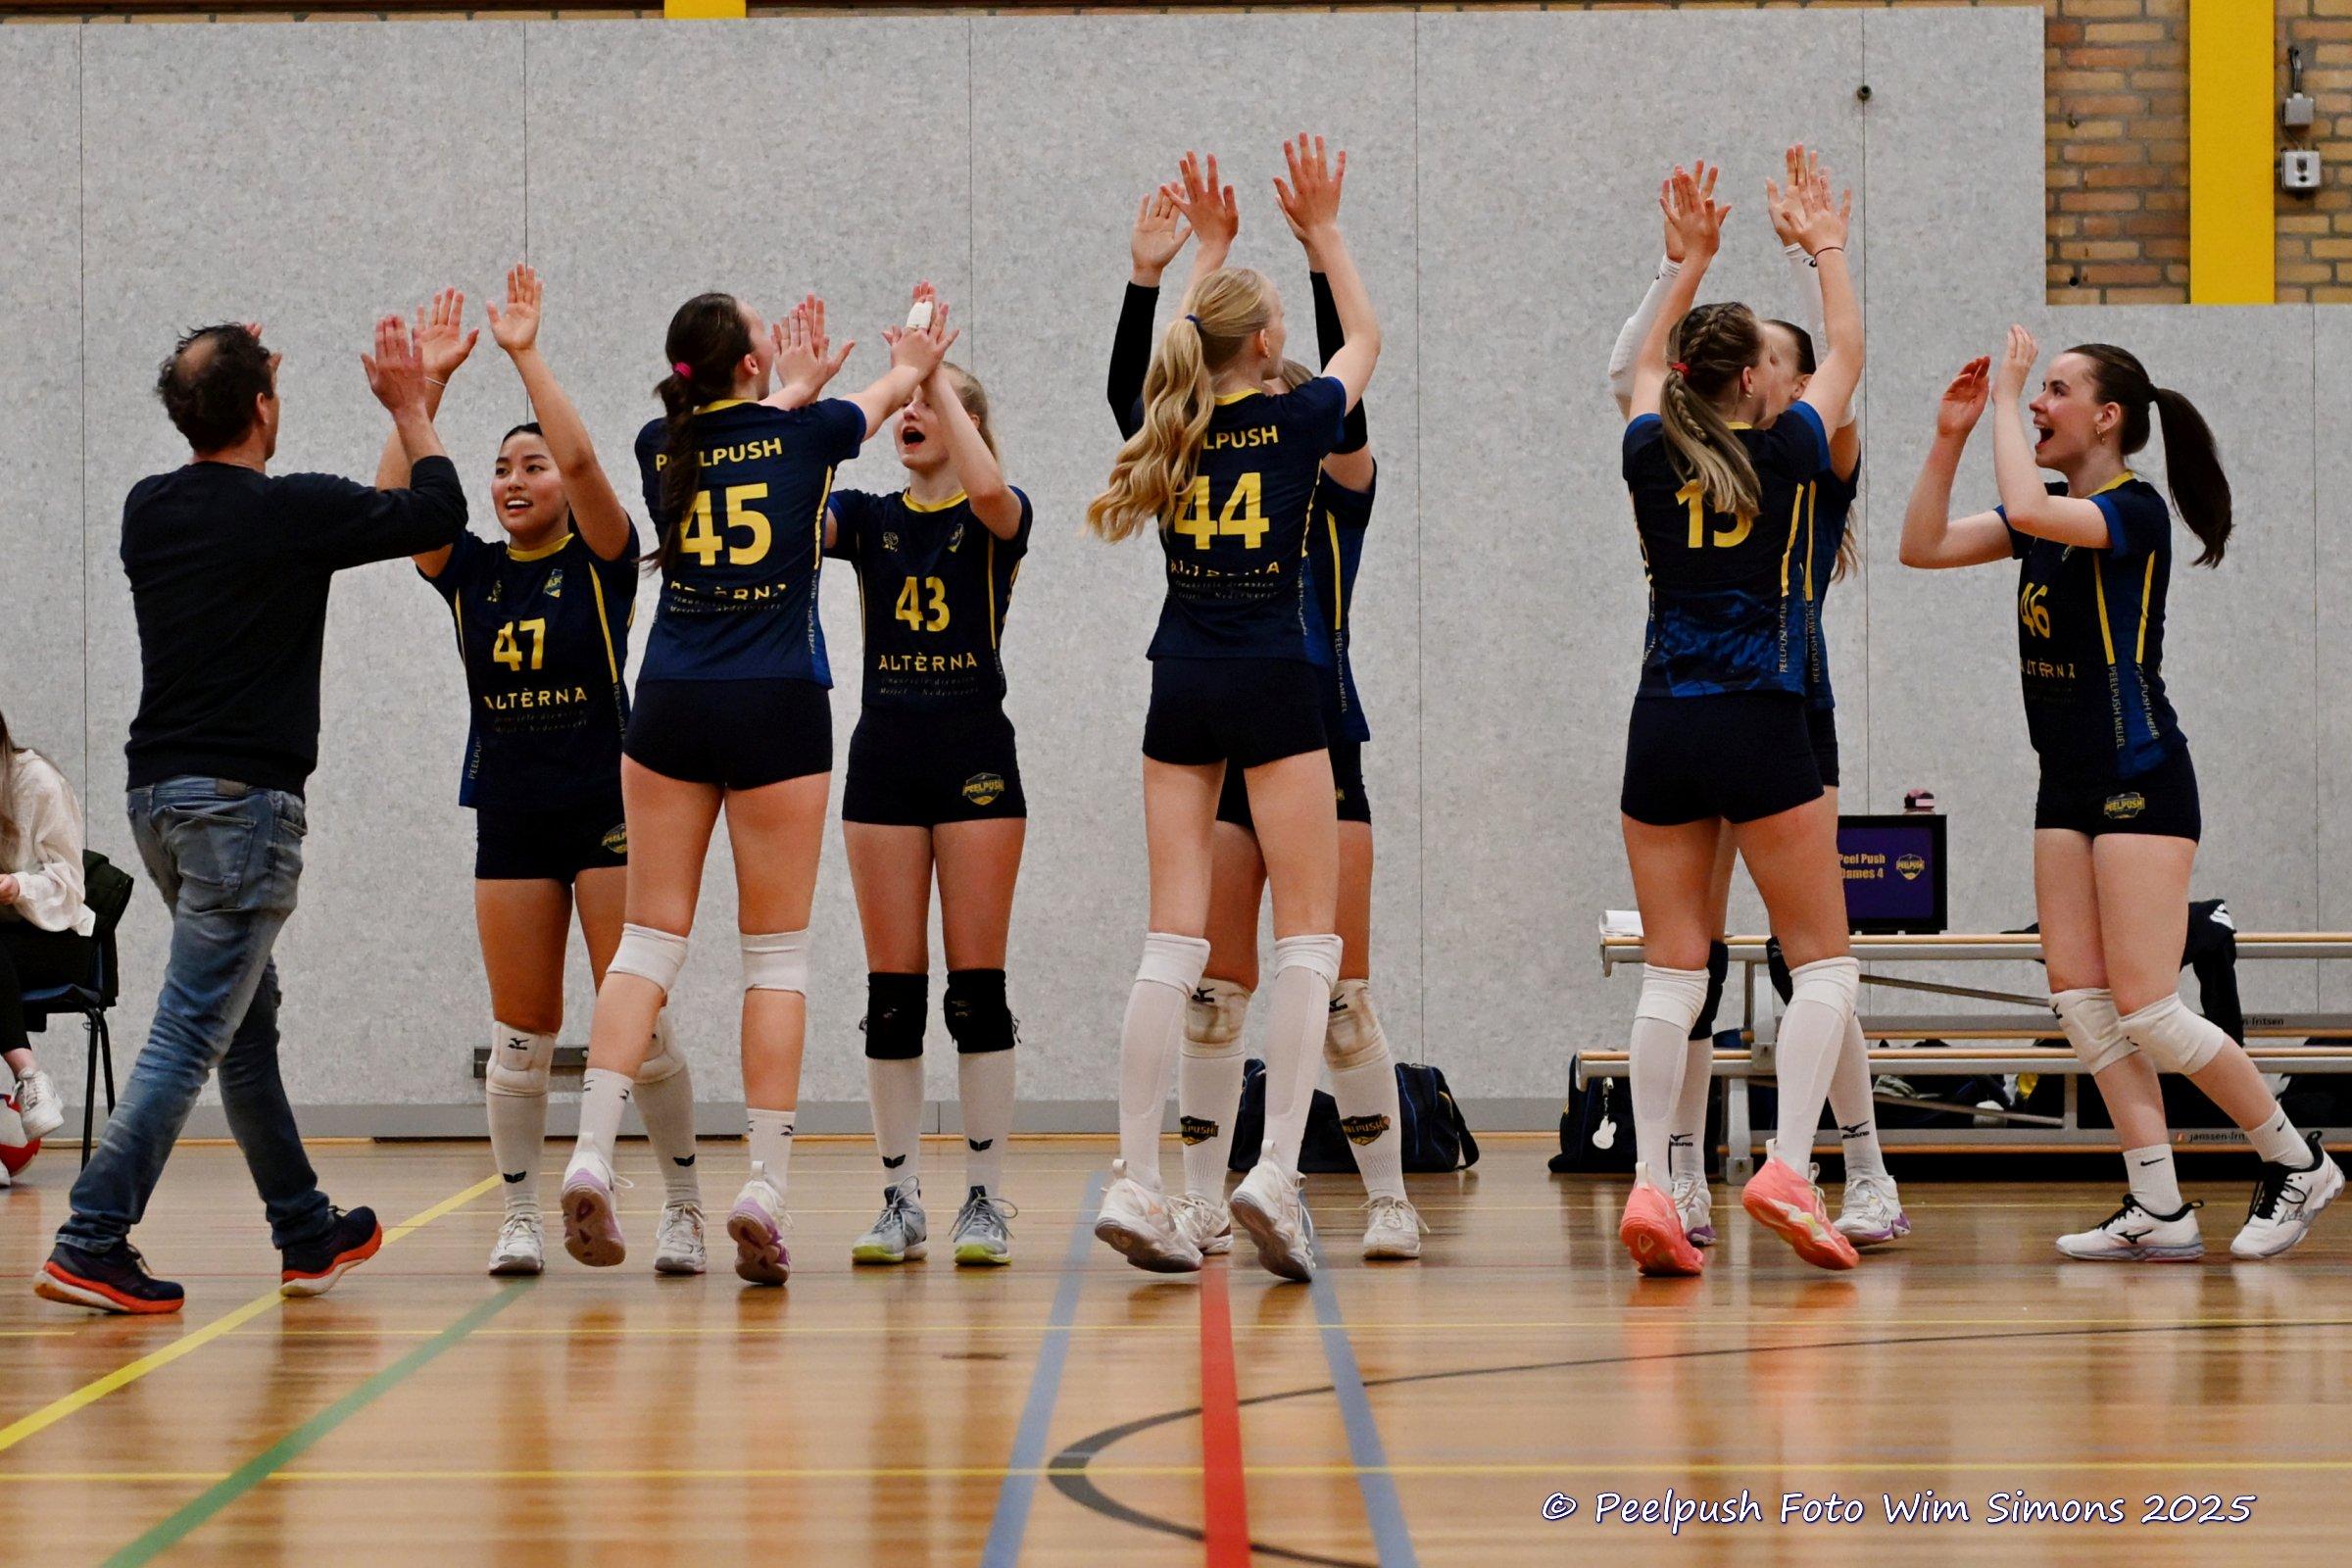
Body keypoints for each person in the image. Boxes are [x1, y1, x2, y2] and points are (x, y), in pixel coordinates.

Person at [37, 317, 467, 1314]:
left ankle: (305, 1230)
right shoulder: (290, 511)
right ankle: (91, 1237)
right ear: (264, 406)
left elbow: (373, 503)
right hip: (241, 812)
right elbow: (436, 510)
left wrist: (235, 368)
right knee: (194, 1031)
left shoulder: (149, 509)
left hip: (160, 804)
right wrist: (412, 405)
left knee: (245, 1026)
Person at [1899, 332, 2344, 1261]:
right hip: (2065, 785)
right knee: (2083, 1004)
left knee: (2148, 1010)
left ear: (2107, 418)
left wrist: (2006, 390)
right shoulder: (2045, 516)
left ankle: (2297, 1161)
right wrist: (1948, 436)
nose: (2037, 403)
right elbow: (1922, 547)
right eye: (2036, 390)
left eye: (2055, 390)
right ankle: (2159, 1206)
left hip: (2141, 775)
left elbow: (2028, 502)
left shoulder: (2132, 511)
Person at [557, 285, 954, 1286]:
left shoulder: (660, 444)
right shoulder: (815, 433)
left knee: (647, 942)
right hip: (776, 705)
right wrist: (912, 350)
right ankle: (763, 1188)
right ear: (746, 362)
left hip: (670, 703)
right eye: (761, 332)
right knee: (774, 957)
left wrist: (792, 388)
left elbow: (736, 434)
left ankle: (593, 1151)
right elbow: (893, 387)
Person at [1110, 160, 1422, 1264]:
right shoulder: (1296, 424)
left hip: (1195, 684)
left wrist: (1179, 265)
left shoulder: (1184, 429)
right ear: (1263, 352)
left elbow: (1148, 375)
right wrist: (1324, 235)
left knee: (1179, 943)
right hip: (1279, 692)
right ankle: (1262, 1179)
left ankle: (1141, 1179)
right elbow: (1364, 342)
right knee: (1287, 954)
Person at [1603, 148, 1904, 1251]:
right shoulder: (1787, 451)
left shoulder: (1649, 450)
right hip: (1763, 713)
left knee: (1671, 970)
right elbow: (1851, 352)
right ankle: (1786, 1165)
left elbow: (1642, 367)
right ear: (1749, 383)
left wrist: (1688, 263)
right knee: (1822, 961)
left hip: (1662, 721)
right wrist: (1824, 248)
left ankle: (1652, 1182)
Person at [388, 272, 704, 1279]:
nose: (514, 480)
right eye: (499, 470)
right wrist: (422, 397)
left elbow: (582, 457)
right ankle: (520, 1217)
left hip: (609, 809)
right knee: (521, 1037)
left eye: (531, 466)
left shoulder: (603, 559)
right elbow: (395, 505)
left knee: (641, 1029)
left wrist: (526, 354)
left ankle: (685, 1210)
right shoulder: (472, 573)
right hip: (512, 815)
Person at [828, 356, 1030, 1268]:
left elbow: (991, 497)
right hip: (885, 759)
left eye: (929, 405)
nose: (910, 413)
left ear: (966, 422)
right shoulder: (869, 517)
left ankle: (984, 1199)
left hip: (974, 758)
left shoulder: (998, 513)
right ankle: (900, 1199)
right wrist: (815, 400)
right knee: (892, 996)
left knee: (976, 990)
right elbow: (794, 507)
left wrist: (936, 374)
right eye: (903, 404)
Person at [1, 706, 85, 1147]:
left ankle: (29, 1075)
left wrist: (16, 886)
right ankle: (30, 1077)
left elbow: (70, 887)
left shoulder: (36, 782)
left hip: (55, 935)